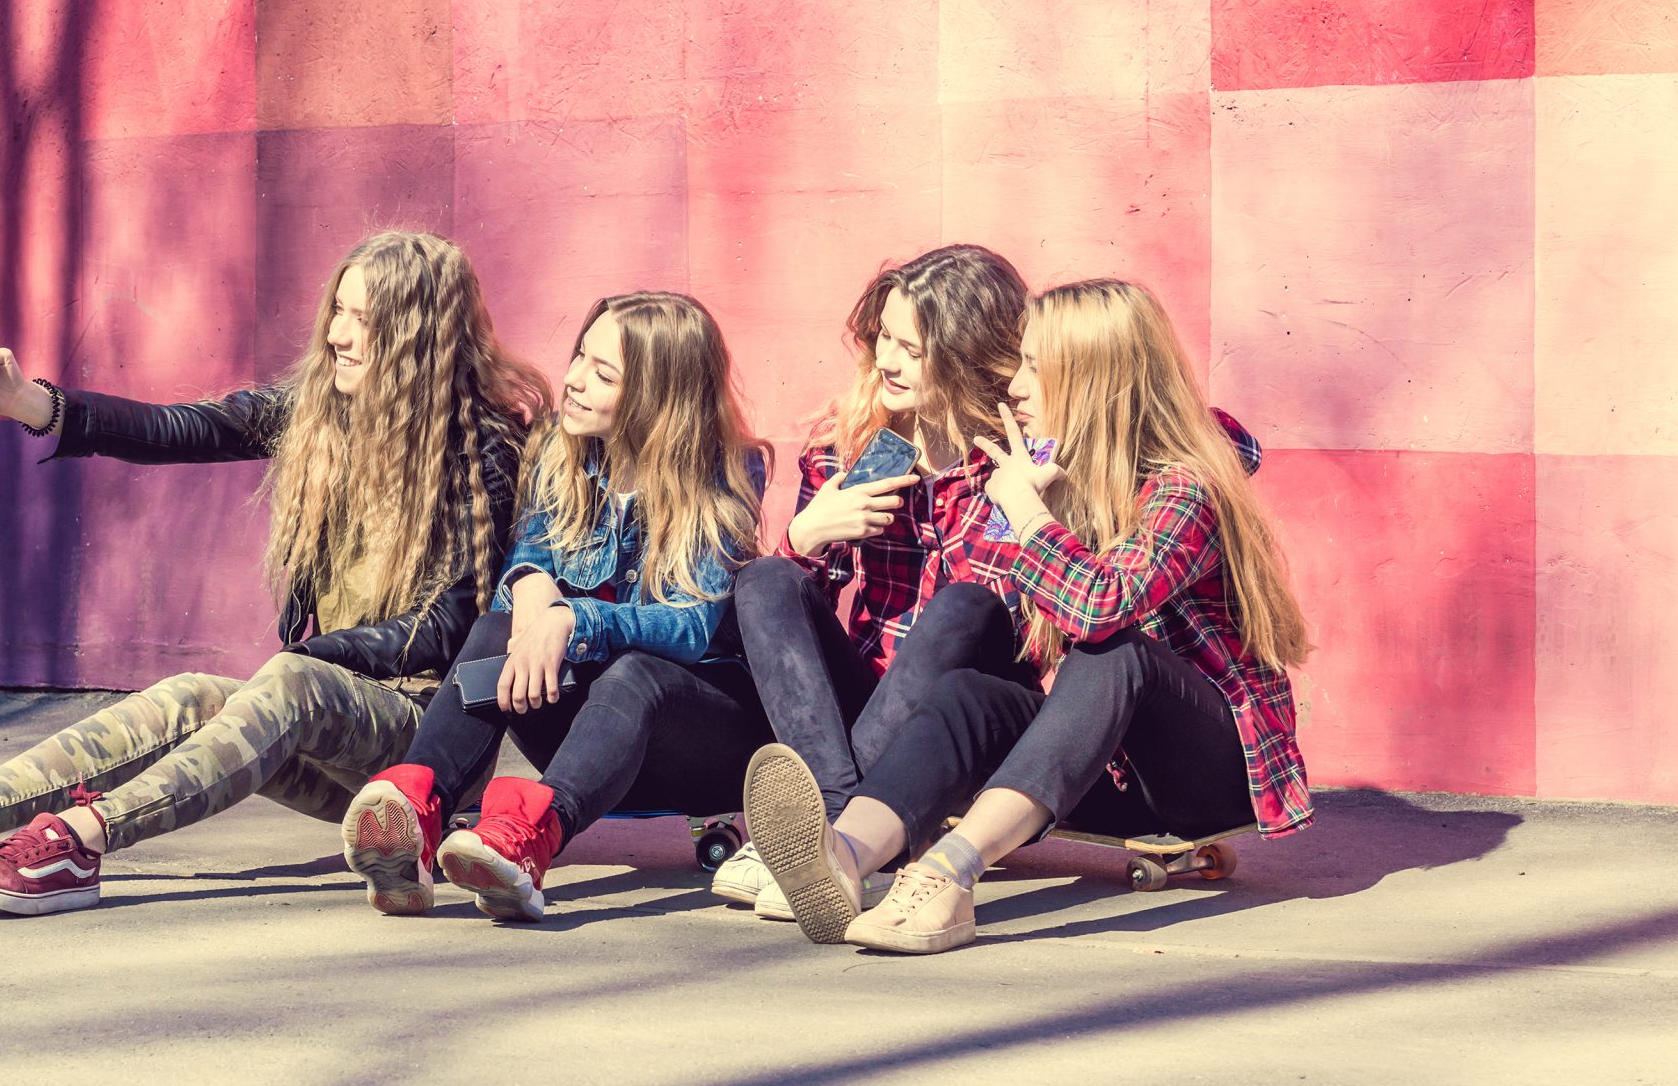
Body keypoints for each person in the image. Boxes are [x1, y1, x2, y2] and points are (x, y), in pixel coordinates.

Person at [0, 231, 546, 914]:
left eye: (361, 318)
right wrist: (30, 404)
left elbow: (445, 627)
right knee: (192, 694)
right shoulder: (322, 413)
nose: (336, 332)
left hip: (420, 749)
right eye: (338, 308)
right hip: (325, 716)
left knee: (291, 681)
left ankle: (78, 840)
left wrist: (307, 659)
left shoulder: (480, 448)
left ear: (413, 334)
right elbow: (183, 428)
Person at [746, 279, 1312, 952]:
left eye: (1036, 366)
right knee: (969, 697)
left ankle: (946, 874)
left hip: (1202, 773)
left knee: (1115, 650)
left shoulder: (1186, 486)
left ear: (1094, 380)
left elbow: (1104, 606)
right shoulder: (1053, 467)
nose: (1014, 383)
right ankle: (841, 855)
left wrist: (1027, 513)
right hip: (1099, 768)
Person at [336, 292, 771, 922]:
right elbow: (530, 557)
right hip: (596, 739)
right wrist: (532, 584)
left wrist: (574, 618)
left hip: (703, 746)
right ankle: (415, 816)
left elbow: (692, 625)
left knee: (636, 669)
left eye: (603, 373)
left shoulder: (727, 475)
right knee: (496, 627)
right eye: (579, 358)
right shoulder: (564, 458)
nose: (572, 380)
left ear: (659, 397)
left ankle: (528, 839)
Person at [716, 246, 1040, 920]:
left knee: (963, 605)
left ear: (967, 353)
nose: (886, 360)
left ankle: (822, 843)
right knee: (767, 578)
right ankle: (834, 831)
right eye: (883, 338)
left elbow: (1233, 446)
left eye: (910, 348)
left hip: (967, 717)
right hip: (869, 711)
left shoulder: (1018, 455)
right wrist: (810, 535)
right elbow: (782, 627)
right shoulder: (849, 446)